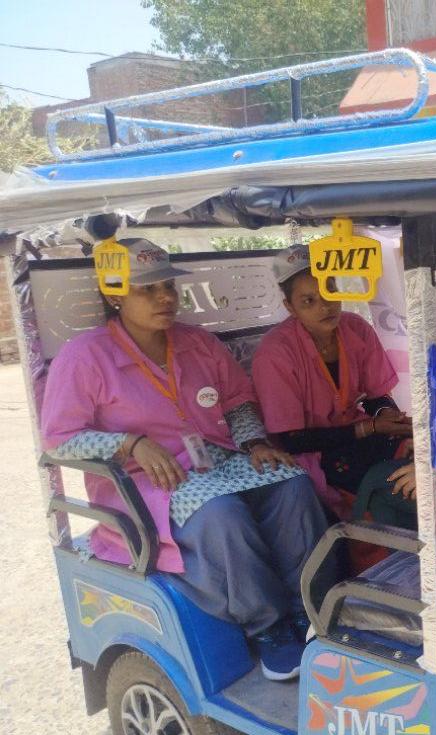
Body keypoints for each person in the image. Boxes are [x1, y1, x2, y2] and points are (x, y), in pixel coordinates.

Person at [41, 238, 327, 682]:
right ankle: (268, 627)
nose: (165, 298)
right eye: (148, 289)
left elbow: (237, 401)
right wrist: (129, 444)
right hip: (146, 480)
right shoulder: (85, 357)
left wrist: (254, 443)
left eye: (168, 287)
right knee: (222, 515)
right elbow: (59, 441)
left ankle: (307, 609)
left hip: (219, 460)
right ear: (116, 295)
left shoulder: (197, 342)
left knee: (292, 484)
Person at [252, 245, 416, 535]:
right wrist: (369, 428)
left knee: (420, 451)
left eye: (330, 290)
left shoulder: (356, 328)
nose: (325, 306)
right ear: (290, 307)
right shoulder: (275, 352)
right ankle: (388, 547)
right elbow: (291, 440)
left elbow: (376, 396)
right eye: (309, 301)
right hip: (312, 451)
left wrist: (388, 417)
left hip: (360, 434)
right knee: (390, 487)